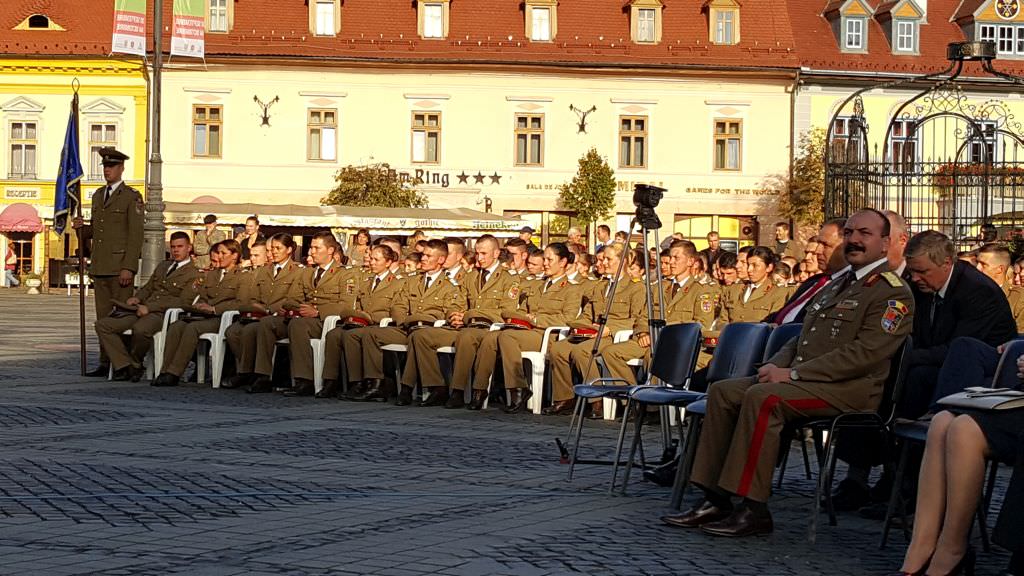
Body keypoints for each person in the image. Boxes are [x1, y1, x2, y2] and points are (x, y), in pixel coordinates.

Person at [663, 209, 913, 538]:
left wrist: (793, 376)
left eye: (865, 234)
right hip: (805, 381)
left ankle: (753, 508)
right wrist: (778, 364)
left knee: (764, 398)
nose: (854, 240)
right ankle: (714, 497)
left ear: (885, 243)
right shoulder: (838, 284)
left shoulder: (891, 291)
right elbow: (801, 335)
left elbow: (865, 354)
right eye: (850, 232)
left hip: (848, 390)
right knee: (724, 391)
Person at [833, 230, 1017, 514]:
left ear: (946, 263)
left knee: (909, 380)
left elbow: (958, 351)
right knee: (872, 379)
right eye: (913, 271)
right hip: (928, 364)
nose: (915, 278)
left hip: (975, 380)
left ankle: (905, 484)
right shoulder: (916, 285)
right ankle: (859, 476)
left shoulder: (977, 292)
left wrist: (904, 358)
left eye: (922, 272)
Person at [403, 235, 519, 408]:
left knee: (466, 337)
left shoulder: (508, 279)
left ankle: (458, 391)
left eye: (484, 253)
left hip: (489, 329)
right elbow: (457, 301)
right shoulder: (471, 276)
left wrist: (470, 314)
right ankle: (437, 386)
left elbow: (507, 311)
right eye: (477, 253)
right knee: (422, 336)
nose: (480, 258)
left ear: (496, 253)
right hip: (462, 326)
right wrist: (454, 314)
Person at [345, 239, 463, 404]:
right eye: (423, 255)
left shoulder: (450, 285)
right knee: (371, 333)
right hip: (406, 328)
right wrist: (405, 322)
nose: (423, 259)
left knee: (419, 337)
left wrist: (448, 317)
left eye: (428, 256)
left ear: (441, 260)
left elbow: (453, 308)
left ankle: (415, 388)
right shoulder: (412, 281)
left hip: (431, 331)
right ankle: (376, 383)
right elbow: (398, 306)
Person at [546, 243, 647, 416]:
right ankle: (565, 398)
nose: (604, 263)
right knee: (558, 348)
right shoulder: (599, 287)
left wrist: (611, 328)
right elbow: (587, 314)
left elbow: (636, 318)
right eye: (602, 259)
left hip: (612, 336)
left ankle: (597, 400)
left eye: (608, 259)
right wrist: (579, 326)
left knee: (582, 352)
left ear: (623, 261)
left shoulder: (636, 287)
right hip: (592, 333)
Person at [72, 147, 144, 377]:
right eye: (104, 166)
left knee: (121, 318)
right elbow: (97, 231)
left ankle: (124, 363)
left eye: (111, 166)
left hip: (119, 267)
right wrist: (81, 229)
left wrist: (129, 267)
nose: (107, 170)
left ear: (121, 168)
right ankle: (106, 362)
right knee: (103, 319)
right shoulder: (97, 196)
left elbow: (135, 235)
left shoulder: (131, 197)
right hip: (101, 266)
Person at [94, 232, 199, 382]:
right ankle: (123, 365)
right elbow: (148, 287)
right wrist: (137, 297)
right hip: (141, 308)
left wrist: (150, 308)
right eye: (173, 247)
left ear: (189, 248)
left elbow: (183, 302)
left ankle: (136, 363)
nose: (176, 250)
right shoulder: (164, 265)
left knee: (141, 329)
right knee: (103, 325)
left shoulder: (194, 273)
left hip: (162, 313)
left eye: (180, 247)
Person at [496, 243, 583, 414]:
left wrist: (536, 319)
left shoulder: (572, 288)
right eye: (545, 259)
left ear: (563, 261)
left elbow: (568, 318)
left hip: (548, 335)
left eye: (550, 260)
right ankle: (484, 389)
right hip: (527, 331)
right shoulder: (536, 284)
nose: (545, 264)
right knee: (497, 336)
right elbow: (523, 309)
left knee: (507, 337)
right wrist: (518, 318)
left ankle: (518, 389)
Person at [153, 240, 243, 387]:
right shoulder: (212, 274)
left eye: (223, 253)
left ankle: (174, 373)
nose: (219, 256)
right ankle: (164, 370)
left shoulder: (242, 276)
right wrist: (200, 304)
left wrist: (215, 309)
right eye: (218, 253)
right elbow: (203, 294)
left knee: (192, 329)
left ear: (234, 256)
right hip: (204, 315)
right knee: (176, 326)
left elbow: (240, 302)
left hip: (222, 318)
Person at [281, 233, 361, 397]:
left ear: (330, 250)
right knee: (292, 324)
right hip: (307, 318)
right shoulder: (306, 273)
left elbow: (346, 304)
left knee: (298, 325)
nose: (312, 252)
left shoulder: (345, 274)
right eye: (311, 247)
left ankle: (306, 380)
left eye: (317, 248)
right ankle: (301, 378)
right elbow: (291, 299)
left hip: (329, 321)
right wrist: (303, 308)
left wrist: (319, 311)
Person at [323, 244, 405, 400]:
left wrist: (371, 318)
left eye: (376, 259)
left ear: (388, 262)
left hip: (379, 325)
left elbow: (394, 312)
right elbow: (358, 305)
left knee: (352, 335)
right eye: (371, 259)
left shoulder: (397, 283)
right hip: (362, 323)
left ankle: (364, 383)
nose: (371, 262)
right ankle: (331, 381)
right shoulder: (366, 280)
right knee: (334, 334)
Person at [224, 233, 303, 391]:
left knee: (253, 330)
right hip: (259, 315)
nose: (273, 252)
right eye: (272, 248)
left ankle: (261, 375)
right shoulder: (263, 271)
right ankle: (247, 369)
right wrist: (257, 308)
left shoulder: (298, 271)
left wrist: (270, 310)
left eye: (278, 248)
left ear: (289, 250)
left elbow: (293, 298)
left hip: (279, 317)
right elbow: (254, 296)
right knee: (233, 331)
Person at [771, 218, 847, 325]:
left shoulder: (848, 285)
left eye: (826, 245)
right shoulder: (813, 282)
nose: (818, 251)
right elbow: (783, 312)